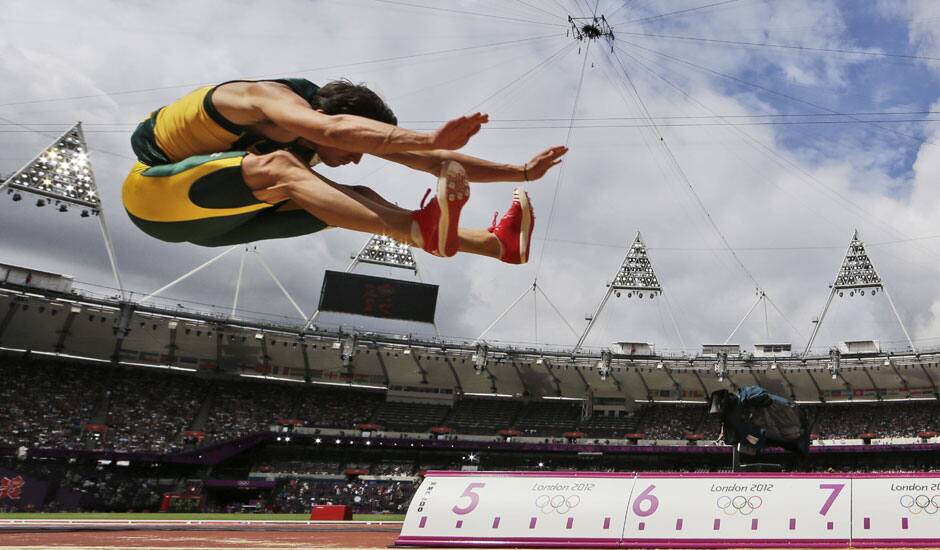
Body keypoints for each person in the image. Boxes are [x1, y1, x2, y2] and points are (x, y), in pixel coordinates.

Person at [122, 78, 567, 263]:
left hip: (223, 219)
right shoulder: (259, 99)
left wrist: (523, 172)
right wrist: (429, 137)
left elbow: (433, 162)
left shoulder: (332, 133)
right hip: (154, 200)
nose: (356, 155)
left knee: (353, 197)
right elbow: (330, 129)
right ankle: (420, 233)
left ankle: (499, 246)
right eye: (353, 146)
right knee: (283, 167)